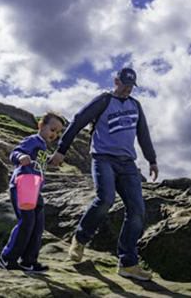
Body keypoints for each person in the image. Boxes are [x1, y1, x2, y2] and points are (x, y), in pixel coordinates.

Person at [49, 67, 158, 281]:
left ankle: (128, 263)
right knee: (105, 199)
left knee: (137, 210)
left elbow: (143, 133)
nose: (127, 89)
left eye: (131, 86)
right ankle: (80, 240)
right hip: (103, 158)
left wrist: (152, 160)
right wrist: (61, 151)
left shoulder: (136, 106)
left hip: (127, 164)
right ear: (116, 81)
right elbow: (78, 120)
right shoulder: (103, 101)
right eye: (124, 84)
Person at [0, 112, 65, 272]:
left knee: (38, 225)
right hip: (23, 184)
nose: (54, 134)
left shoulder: (42, 147)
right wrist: (21, 156)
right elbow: (15, 153)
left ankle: (28, 261)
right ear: (41, 126)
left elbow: (39, 163)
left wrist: (50, 161)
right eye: (52, 129)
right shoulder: (33, 140)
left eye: (57, 133)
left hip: (35, 189)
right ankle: (7, 258)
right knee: (27, 222)